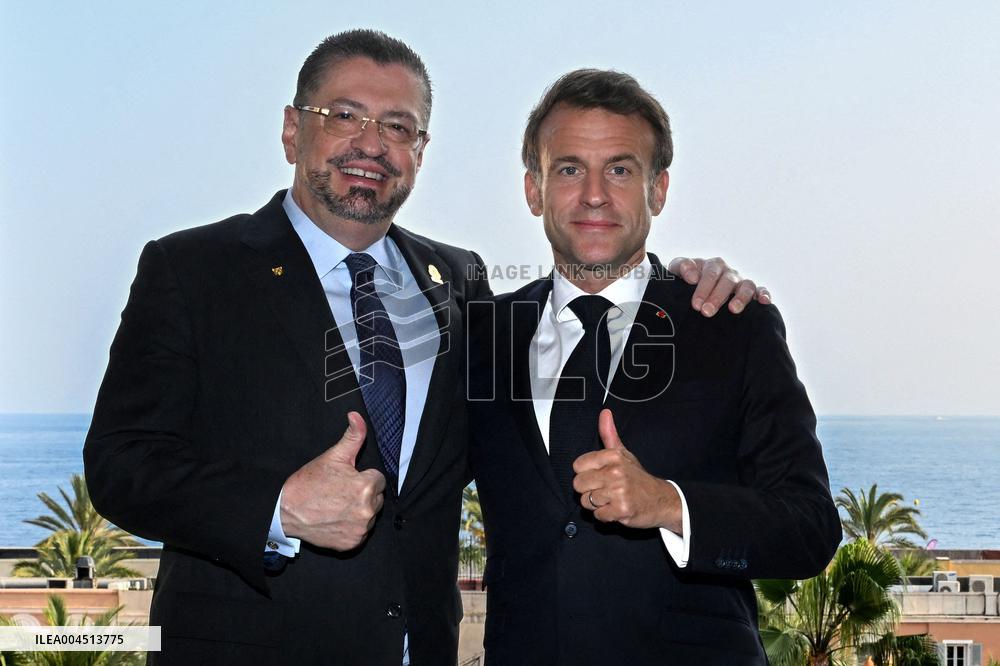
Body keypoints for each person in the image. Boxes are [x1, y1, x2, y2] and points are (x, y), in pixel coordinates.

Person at [84, 30, 762, 665]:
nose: (371, 143)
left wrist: (688, 286)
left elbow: (536, 415)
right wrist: (277, 508)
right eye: (345, 115)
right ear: (293, 130)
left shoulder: (461, 279)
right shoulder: (193, 269)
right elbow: (121, 464)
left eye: (398, 127)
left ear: (420, 150)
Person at [467, 69, 842, 665]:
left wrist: (668, 503)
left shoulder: (732, 324)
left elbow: (810, 529)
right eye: (568, 169)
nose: (594, 194)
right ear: (533, 190)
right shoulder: (481, 333)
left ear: (658, 189)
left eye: (620, 169)